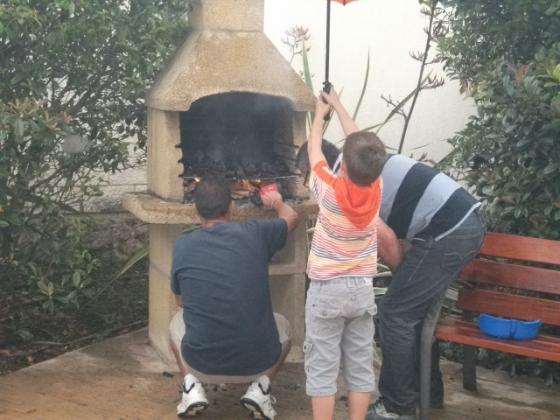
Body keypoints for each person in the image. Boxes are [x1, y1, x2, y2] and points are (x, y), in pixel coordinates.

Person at [319, 91, 486, 420]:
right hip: (465, 220)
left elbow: (386, 238)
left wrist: (402, 273)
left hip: (448, 231)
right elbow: (356, 134)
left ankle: (396, 407)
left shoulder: (347, 187)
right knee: (414, 311)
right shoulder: (362, 156)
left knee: (396, 311)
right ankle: (428, 393)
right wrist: (336, 104)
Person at [169, 176, 298, 419]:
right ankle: (261, 388)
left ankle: (191, 387)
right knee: (284, 327)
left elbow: (180, 301)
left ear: (196, 210)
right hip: (257, 362)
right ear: (231, 207)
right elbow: (292, 217)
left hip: (201, 363)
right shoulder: (257, 234)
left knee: (175, 324)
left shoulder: (182, 245)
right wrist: (276, 202)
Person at [304, 91, 386, 420]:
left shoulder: (329, 190)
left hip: (327, 290)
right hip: (361, 290)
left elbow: (314, 152)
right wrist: (339, 105)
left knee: (322, 369)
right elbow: (361, 145)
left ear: (345, 165)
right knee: (360, 367)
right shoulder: (377, 188)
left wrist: (319, 114)